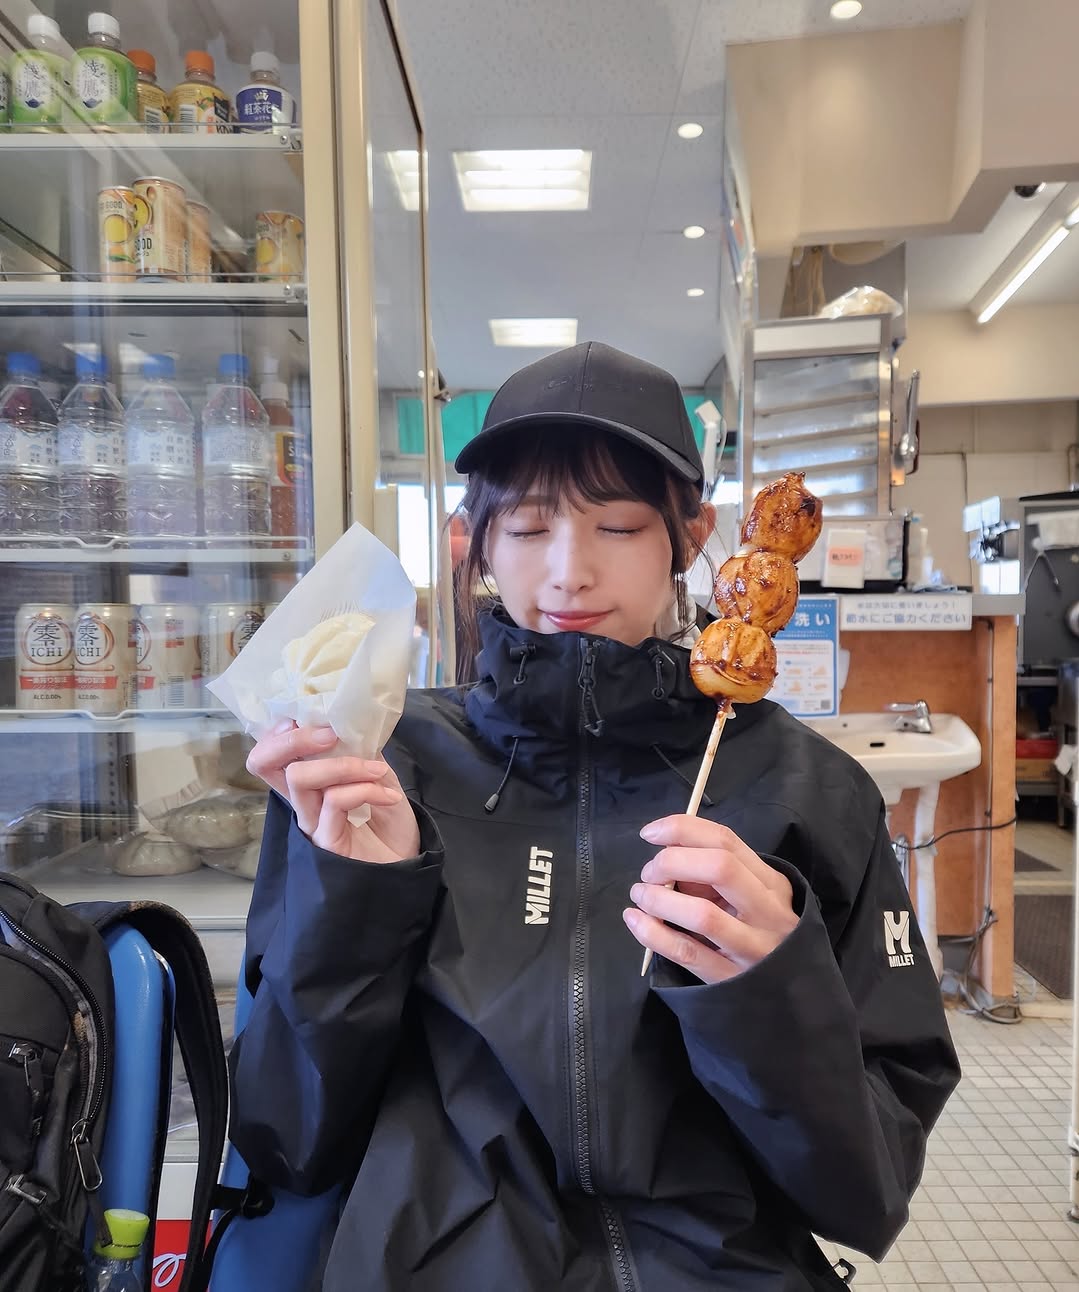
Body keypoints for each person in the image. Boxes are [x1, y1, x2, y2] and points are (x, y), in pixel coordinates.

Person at [230, 341, 960, 1291]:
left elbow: (868, 1194)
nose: (569, 572)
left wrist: (771, 993)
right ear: (477, 541)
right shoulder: (375, 767)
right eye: (528, 528)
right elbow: (286, 1143)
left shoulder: (809, 791)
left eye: (617, 525)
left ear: (689, 537)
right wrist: (356, 900)